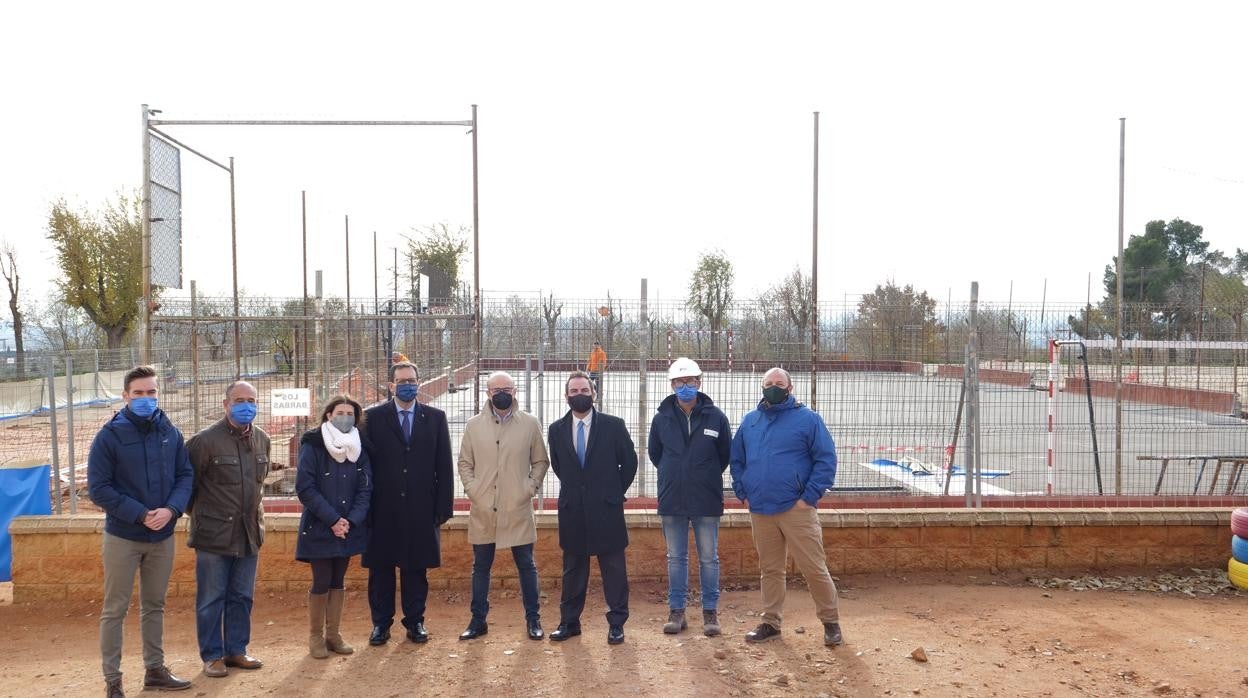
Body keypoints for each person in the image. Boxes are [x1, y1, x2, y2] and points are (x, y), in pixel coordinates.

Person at [87, 365, 194, 697]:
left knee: (155, 605)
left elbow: (185, 476)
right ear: (125, 396)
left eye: (152, 392)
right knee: (115, 608)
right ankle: (113, 680)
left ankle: (154, 670)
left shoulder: (170, 432)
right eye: (139, 393)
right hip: (123, 536)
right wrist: (141, 514)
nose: (146, 399)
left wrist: (171, 510)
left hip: (161, 536)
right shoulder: (109, 436)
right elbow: (99, 488)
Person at [730, 367, 843, 647]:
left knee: (814, 568)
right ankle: (770, 622)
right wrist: (743, 491)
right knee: (770, 570)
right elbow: (737, 460)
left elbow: (826, 460)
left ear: (790, 388)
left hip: (797, 509)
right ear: (762, 387)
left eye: (779, 383)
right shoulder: (750, 421)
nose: (774, 387)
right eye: (769, 383)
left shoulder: (808, 420)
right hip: (760, 509)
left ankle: (831, 622)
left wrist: (809, 497)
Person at [362, 361, 454, 645]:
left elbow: (444, 466)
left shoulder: (436, 418)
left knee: (416, 570)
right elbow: (363, 466)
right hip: (382, 510)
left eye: (412, 380)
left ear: (419, 382)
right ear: (391, 385)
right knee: (381, 570)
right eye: (401, 381)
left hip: (421, 509)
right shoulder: (371, 418)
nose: (407, 385)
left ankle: (415, 622)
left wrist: (442, 508)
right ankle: (380, 624)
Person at [457, 371, 551, 641]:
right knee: (481, 567)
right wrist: (474, 490)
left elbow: (540, 461)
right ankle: (478, 621)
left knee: (526, 565)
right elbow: (465, 463)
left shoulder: (530, 423)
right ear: (487, 392)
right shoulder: (474, 425)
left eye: (507, 389)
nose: (502, 393)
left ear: (515, 391)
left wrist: (529, 488)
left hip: (518, 507)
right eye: (496, 388)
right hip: (484, 507)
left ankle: (533, 620)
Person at [186, 381, 271, 677]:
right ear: (225, 404)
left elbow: (259, 485)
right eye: (238, 400)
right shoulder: (204, 441)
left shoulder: (262, 439)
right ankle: (212, 656)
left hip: (249, 533)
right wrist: (209, 517)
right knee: (211, 598)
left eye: (251, 400)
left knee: (242, 596)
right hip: (213, 536)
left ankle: (237, 650)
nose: (245, 406)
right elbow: (188, 490)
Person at [547, 370, 637, 645]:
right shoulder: (556, 430)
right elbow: (560, 467)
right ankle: (569, 622)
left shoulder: (614, 426)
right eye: (573, 392)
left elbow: (629, 463)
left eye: (584, 390)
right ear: (566, 396)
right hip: (573, 510)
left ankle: (617, 624)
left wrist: (612, 492)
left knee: (614, 571)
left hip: (607, 509)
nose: (579, 395)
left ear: (594, 393)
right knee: (573, 570)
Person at [647, 357, 732, 637]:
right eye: (680, 382)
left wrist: (701, 475)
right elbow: (655, 455)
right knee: (676, 558)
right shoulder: (661, 419)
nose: (685, 387)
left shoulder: (716, 417)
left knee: (709, 558)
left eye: (690, 381)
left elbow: (724, 456)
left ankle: (710, 613)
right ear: (672, 385)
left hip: (706, 499)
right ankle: (677, 612)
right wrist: (677, 474)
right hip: (672, 499)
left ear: (699, 382)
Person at [295, 395, 372, 659]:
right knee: (322, 580)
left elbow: (365, 489)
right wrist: (333, 520)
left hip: (347, 528)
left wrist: (350, 521)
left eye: (350, 413)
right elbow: (305, 487)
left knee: (338, 579)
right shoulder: (313, 444)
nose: (345, 417)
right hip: (320, 526)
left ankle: (333, 635)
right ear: (328, 414)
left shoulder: (359, 447)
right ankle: (315, 637)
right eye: (340, 412)